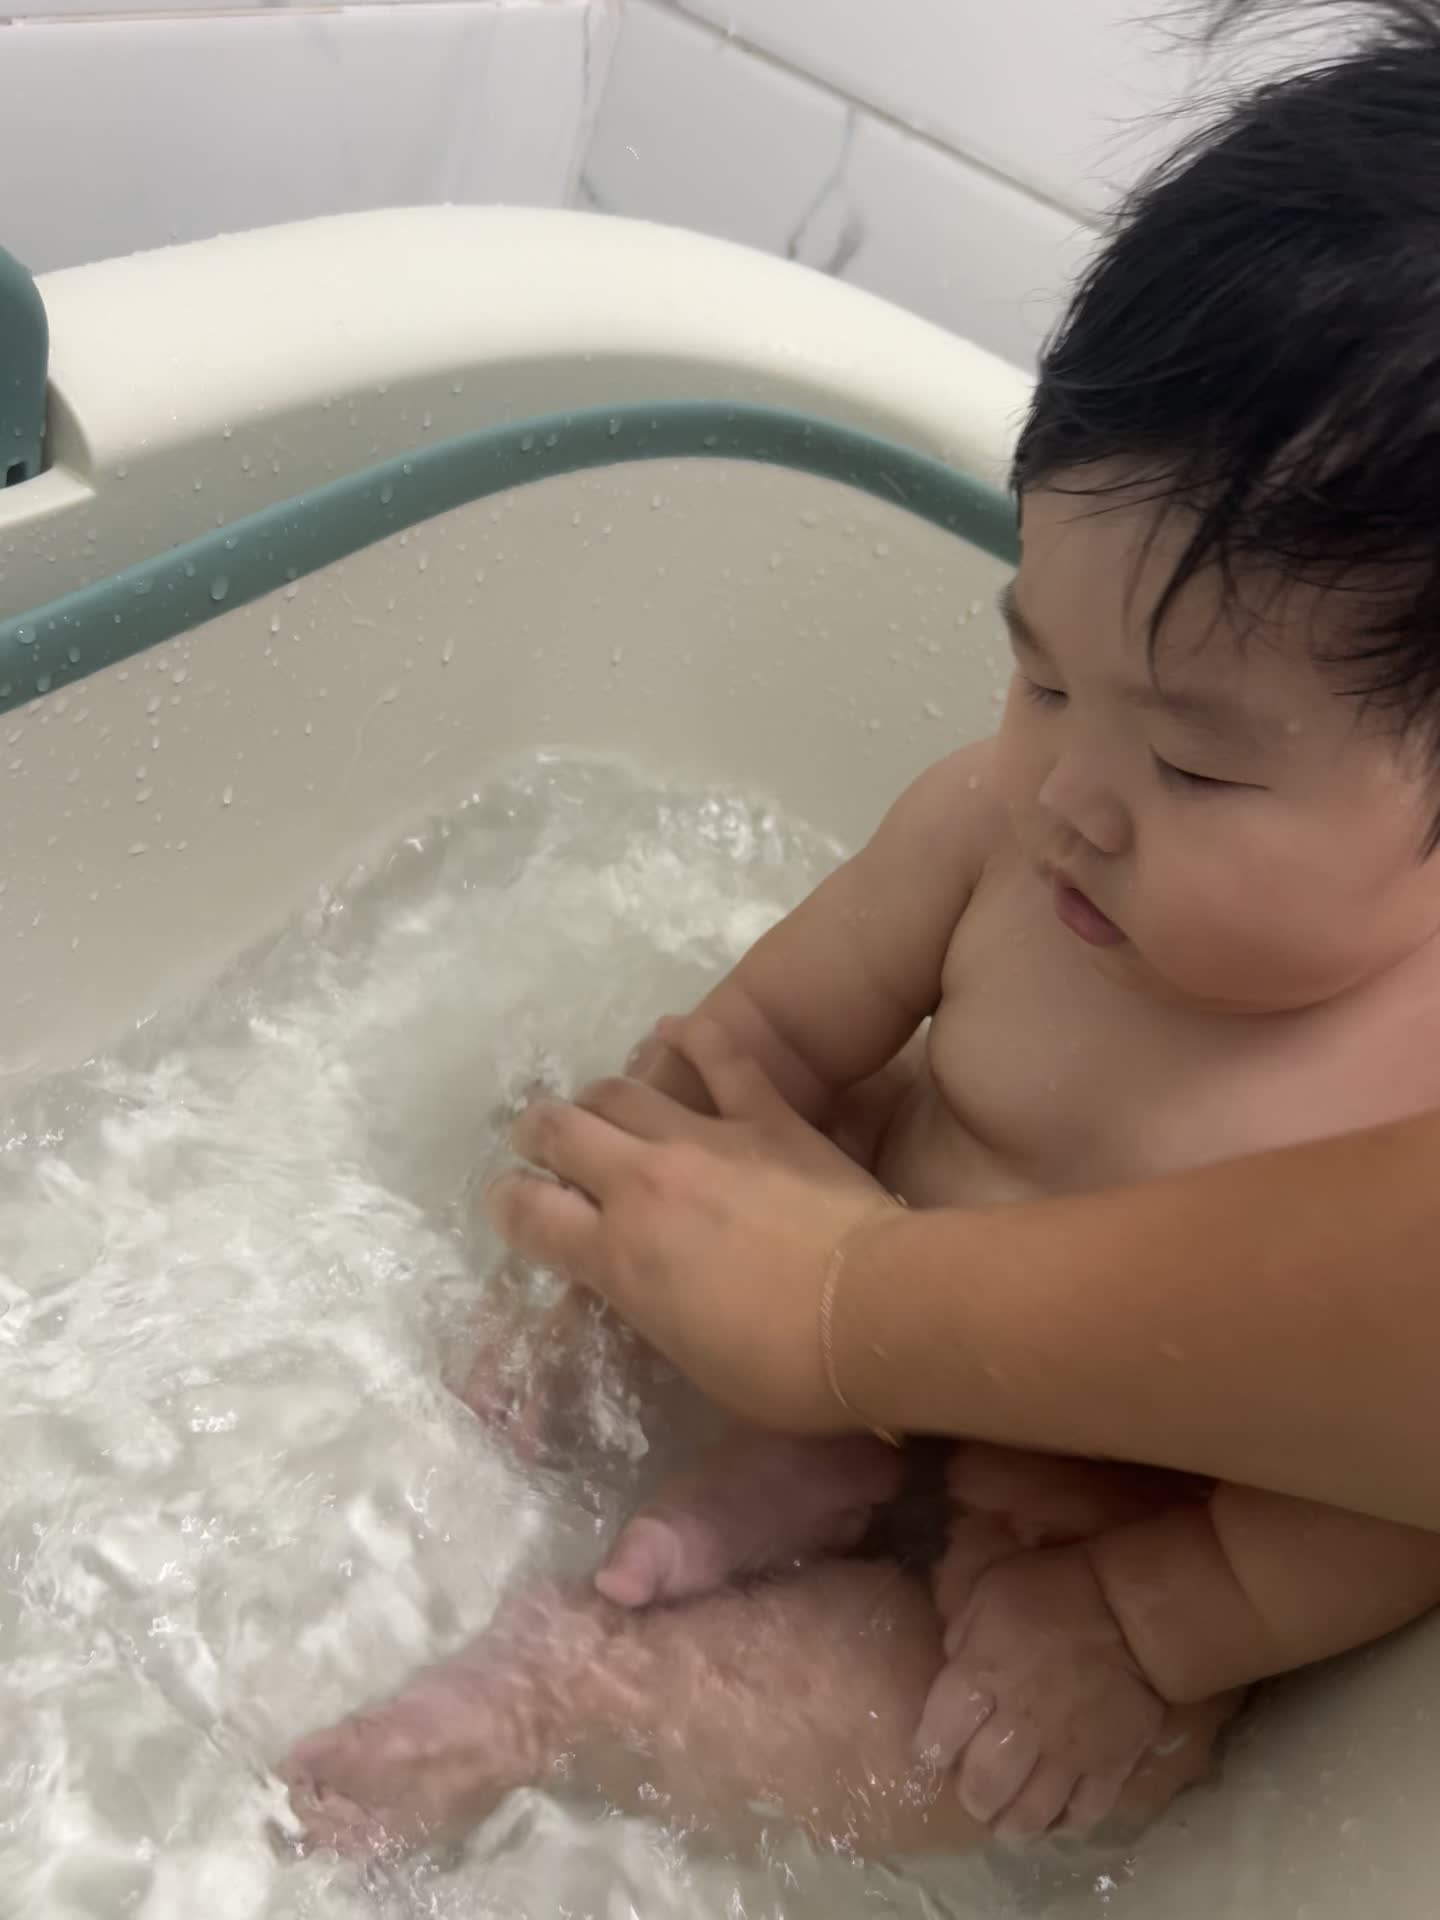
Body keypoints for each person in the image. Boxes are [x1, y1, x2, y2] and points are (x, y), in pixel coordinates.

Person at [282, 0, 1440, 1861]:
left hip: (1082, 1541)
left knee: (975, 1748)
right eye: (1040, 673)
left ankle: (576, 1690)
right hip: (823, 1318)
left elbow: (1395, 1499)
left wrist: (1156, 1620)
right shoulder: (993, 830)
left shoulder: (1413, 1091)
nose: (1071, 792)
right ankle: (712, 1489)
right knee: (564, 1170)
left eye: (1196, 769)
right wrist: (592, 1257)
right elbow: (760, 1043)